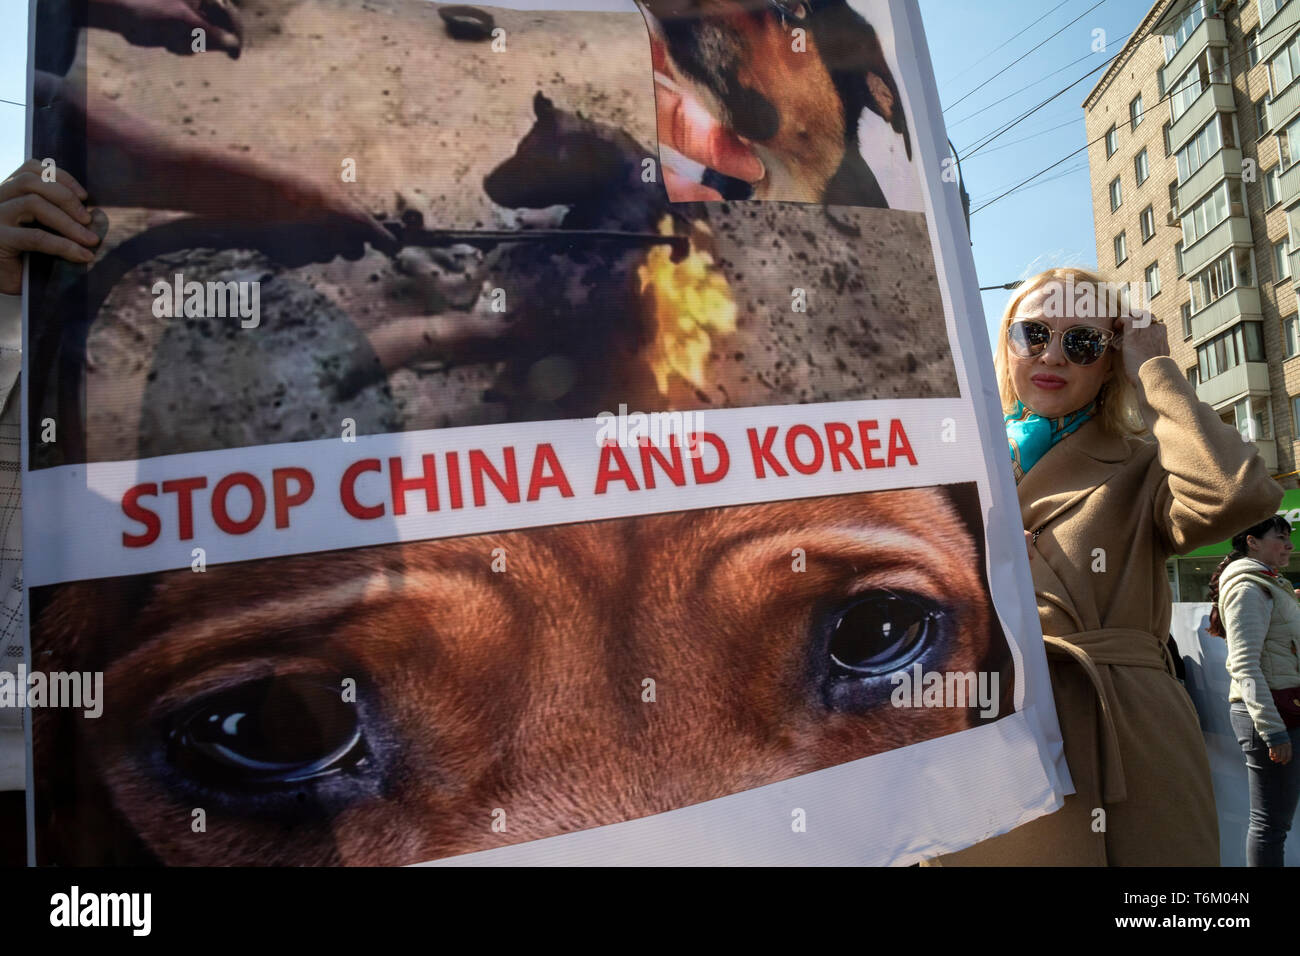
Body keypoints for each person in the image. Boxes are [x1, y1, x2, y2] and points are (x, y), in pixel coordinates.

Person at [930, 266, 1283, 865]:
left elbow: (1235, 494)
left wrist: (1154, 371)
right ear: (1007, 341)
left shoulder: (1145, 465)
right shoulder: (956, 463)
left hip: (1129, 739)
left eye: (1084, 342)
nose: (1054, 356)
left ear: (1110, 358)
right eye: (1034, 333)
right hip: (987, 731)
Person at [1210, 515, 1300, 866]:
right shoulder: (1250, 588)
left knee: (1274, 823)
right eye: (1280, 537)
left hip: (1281, 708)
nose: (1289, 545)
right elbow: (1245, 665)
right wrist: (1273, 731)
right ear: (1252, 541)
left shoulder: (1267, 584)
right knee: (1270, 826)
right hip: (1271, 714)